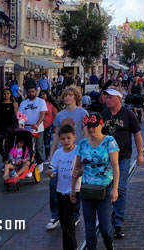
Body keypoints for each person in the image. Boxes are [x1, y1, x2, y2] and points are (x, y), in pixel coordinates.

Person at [71, 113, 119, 250]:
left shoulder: (109, 141)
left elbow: (115, 165)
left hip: (105, 188)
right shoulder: (83, 144)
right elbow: (77, 168)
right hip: (87, 189)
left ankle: (109, 244)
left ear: (101, 125)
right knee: (89, 228)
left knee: (105, 228)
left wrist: (115, 188)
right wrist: (73, 189)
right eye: (89, 127)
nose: (91, 130)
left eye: (94, 126)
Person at [101, 87, 144, 239]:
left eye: (111, 98)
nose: (108, 100)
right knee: (106, 187)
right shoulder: (103, 114)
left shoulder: (128, 115)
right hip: (105, 158)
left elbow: (137, 134)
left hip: (123, 157)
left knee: (120, 187)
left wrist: (140, 154)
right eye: (106, 98)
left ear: (119, 99)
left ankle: (118, 222)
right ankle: (107, 216)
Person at [47, 86, 88, 231]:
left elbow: (85, 134)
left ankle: (75, 215)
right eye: (65, 95)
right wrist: (52, 154)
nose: (67, 98)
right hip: (61, 153)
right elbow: (56, 135)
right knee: (54, 185)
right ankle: (55, 215)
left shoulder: (83, 113)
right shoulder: (60, 115)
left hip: (76, 154)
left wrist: (85, 153)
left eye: (70, 95)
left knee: (75, 185)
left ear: (75, 97)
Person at [49, 124, 80, 250]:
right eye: (63, 139)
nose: (66, 141)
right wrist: (51, 173)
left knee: (68, 223)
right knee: (63, 222)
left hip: (74, 191)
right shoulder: (58, 153)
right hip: (60, 190)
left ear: (74, 137)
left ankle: (71, 248)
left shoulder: (78, 151)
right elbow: (53, 168)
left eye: (68, 138)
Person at [18, 85, 47, 171]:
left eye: (33, 92)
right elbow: (20, 115)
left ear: (36, 92)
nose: (31, 93)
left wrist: (37, 124)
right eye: (29, 92)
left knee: (38, 147)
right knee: (27, 147)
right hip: (26, 129)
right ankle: (28, 163)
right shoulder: (23, 103)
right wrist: (21, 122)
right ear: (27, 93)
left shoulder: (41, 102)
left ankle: (40, 162)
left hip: (38, 129)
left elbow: (42, 114)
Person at [0, 88, 18, 165]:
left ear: (10, 95)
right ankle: (5, 157)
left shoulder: (14, 104)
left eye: (7, 93)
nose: (6, 95)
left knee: (8, 145)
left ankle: (6, 162)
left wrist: (17, 126)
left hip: (10, 126)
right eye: (4, 94)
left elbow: (17, 116)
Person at [41, 90, 60, 159]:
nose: (42, 96)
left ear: (47, 95)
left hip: (49, 125)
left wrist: (55, 126)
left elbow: (56, 115)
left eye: (44, 94)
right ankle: (39, 157)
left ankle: (47, 156)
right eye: (41, 94)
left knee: (47, 142)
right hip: (39, 126)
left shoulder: (50, 104)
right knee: (39, 143)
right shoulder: (38, 104)